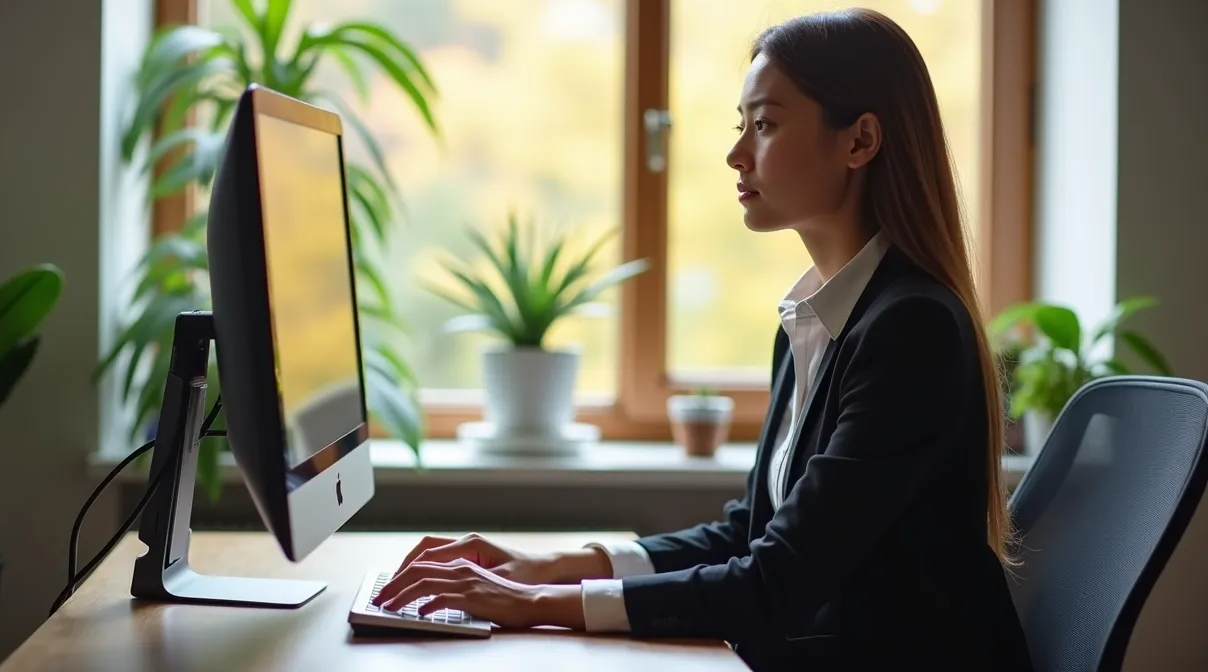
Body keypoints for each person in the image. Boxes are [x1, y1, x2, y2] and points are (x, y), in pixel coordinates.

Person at [371, 8, 1034, 671]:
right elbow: (749, 533)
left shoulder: (911, 330)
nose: (736, 152)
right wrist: (552, 566)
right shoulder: (816, 318)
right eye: (740, 124)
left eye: (766, 124)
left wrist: (535, 602)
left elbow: (776, 580)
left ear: (860, 141)